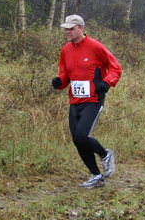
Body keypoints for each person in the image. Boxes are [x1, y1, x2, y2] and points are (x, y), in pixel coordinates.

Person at [52, 14, 122, 189]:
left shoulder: (95, 46)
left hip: (93, 98)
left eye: (71, 28)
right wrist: (60, 81)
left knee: (82, 135)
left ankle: (105, 154)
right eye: (66, 28)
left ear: (81, 28)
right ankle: (96, 176)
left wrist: (107, 82)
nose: (68, 31)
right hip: (75, 100)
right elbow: (65, 73)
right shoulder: (66, 49)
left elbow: (116, 67)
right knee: (77, 140)